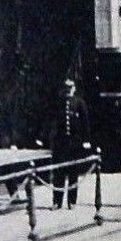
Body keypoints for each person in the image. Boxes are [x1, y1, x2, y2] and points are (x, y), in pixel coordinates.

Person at [44, 78, 92, 209]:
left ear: (74, 88)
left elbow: (85, 123)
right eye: (66, 87)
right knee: (58, 174)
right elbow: (52, 123)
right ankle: (57, 201)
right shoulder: (58, 103)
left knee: (73, 174)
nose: (68, 90)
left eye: (71, 87)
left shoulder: (79, 103)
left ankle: (72, 201)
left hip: (74, 144)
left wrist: (86, 140)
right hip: (60, 144)